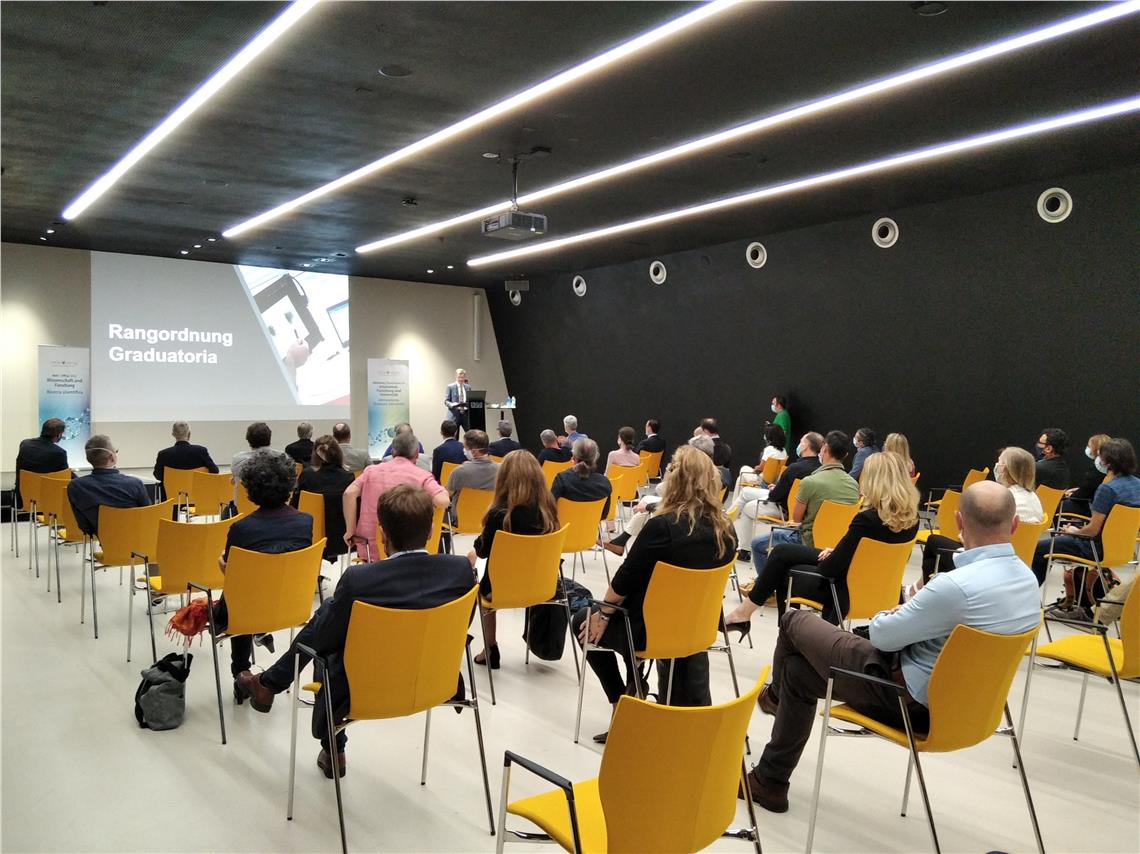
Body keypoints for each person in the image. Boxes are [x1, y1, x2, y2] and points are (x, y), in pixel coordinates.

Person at [741, 480, 1041, 813]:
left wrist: (895, 611)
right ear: (1015, 524)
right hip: (970, 710)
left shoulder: (955, 587)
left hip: (905, 700)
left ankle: (773, 698)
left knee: (794, 621)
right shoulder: (1027, 582)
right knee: (798, 672)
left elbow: (882, 636)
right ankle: (769, 781)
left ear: (959, 520)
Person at [235, 485, 476, 779]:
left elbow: (324, 640)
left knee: (327, 632)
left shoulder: (360, 579)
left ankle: (327, 741)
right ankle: (269, 684)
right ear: (430, 531)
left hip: (364, 690)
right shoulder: (460, 570)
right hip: (435, 682)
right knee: (330, 616)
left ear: (382, 533)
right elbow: (459, 627)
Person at [574, 446, 736, 741]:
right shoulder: (726, 530)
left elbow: (622, 583)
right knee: (626, 612)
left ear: (676, 480)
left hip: (652, 632)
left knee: (584, 620)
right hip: (698, 629)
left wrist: (603, 614)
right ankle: (635, 688)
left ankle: (622, 702)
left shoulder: (662, 526)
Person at [724, 451, 919, 629]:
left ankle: (776, 628)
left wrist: (837, 554)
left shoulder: (866, 520)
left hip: (842, 590)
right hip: (879, 589)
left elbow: (829, 569)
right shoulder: (911, 520)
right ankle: (747, 615)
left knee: (783, 568)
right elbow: (872, 556)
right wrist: (840, 551)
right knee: (782, 552)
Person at [213, 450, 313, 682]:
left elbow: (233, 576)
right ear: (290, 484)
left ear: (250, 490)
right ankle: (260, 636)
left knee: (241, 597)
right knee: (250, 594)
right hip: (292, 605)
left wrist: (221, 563)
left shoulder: (242, 529)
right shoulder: (305, 521)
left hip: (248, 609)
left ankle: (241, 671)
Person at [470, 451, 560, 668]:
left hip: (501, 589)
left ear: (504, 478)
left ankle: (489, 647)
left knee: (473, 581)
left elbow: (482, 552)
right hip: (542, 586)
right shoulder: (548, 512)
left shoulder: (499, 515)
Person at [915, 446, 1044, 587]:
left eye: (999, 463)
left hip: (987, 564)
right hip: (1018, 566)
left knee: (934, 541)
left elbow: (985, 539)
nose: (996, 466)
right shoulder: (1034, 498)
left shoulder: (1003, 499)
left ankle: (925, 590)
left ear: (1005, 469)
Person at [1031, 438, 1140, 587]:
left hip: (1095, 549)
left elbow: (1093, 530)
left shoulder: (1107, 489)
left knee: (1039, 548)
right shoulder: (1137, 485)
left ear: (1107, 462)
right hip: (1124, 549)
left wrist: (1073, 531)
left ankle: (1029, 593)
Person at [748, 430, 858, 576]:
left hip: (807, 542)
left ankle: (767, 584)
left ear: (824, 448)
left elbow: (796, 518)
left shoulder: (810, 482)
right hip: (837, 546)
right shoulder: (854, 485)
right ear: (846, 455)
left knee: (757, 543)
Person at [343, 431, 448, 560]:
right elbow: (442, 501)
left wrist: (350, 531)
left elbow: (349, 493)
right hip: (410, 551)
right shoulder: (422, 476)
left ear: (393, 452)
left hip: (370, 549)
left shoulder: (371, 471)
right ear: (416, 454)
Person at [730, 432, 824, 560]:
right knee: (746, 492)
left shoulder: (795, 468)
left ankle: (743, 548)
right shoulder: (820, 468)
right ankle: (727, 520)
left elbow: (774, 496)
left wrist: (775, 489)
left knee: (746, 507)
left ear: (805, 446)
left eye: (801, 442)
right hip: (797, 507)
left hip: (783, 508)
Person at [66, 435, 151, 535]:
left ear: (88, 458)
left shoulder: (75, 486)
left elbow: (84, 526)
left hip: (103, 538)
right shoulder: (135, 484)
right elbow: (148, 516)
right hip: (137, 538)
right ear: (112, 457)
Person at [291, 436, 355, 562]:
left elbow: (295, 505)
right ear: (338, 453)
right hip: (341, 537)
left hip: (310, 535)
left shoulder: (307, 476)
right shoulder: (348, 477)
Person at [153, 420, 218, 498]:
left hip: (171, 500)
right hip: (198, 499)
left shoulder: (163, 454)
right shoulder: (201, 451)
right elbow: (215, 471)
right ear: (189, 434)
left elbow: (158, 475)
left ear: (173, 434)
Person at [14, 418, 70, 506]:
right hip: (48, 501)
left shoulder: (24, 444)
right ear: (59, 434)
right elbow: (65, 477)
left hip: (22, 498)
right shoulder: (59, 453)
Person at [552, 438, 612, 518]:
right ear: (595, 457)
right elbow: (604, 515)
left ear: (573, 456)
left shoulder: (561, 480)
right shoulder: (605, 483)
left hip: (564, 525)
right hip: (590, 526)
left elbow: (550, 509)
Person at [731, 424, 788, 503]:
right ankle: (737, 503)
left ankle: (735, 504)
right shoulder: (784, 451)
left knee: (743, 468)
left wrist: (756, 468)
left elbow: (760, 468)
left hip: (763, 481)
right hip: (774, 481)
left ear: (769, 437)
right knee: (740, 479)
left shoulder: (769, 449)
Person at [447, 429, 500, 513]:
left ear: (474, 451)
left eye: (465, 447)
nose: (463, 450)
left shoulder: (459, 471)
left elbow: (447, 495)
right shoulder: (501, 470)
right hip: (490, 517)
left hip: (462, 518)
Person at [1061, 433, 1111, 516]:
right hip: (1101, 508)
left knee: (1059, 505)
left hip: (1091, 508)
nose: (1088, 448)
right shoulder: (1112, 470)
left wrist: (1072, 495)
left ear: (1096, 449)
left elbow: (1086, 491)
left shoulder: (1097, 470)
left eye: (1089, 446)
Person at [431, 419, 468, 483]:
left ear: (441, 432)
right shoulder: (465, 447)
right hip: (464, 484)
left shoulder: (438, 450)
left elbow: (435, 475)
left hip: (446, 485)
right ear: (456, 432)